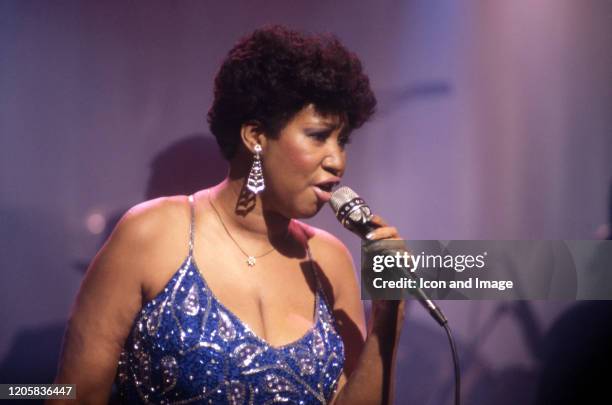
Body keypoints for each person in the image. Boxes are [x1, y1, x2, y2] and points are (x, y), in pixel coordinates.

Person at [51, 25, 405, 405]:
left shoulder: (330, 260)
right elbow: (70, 392)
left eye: (342, 141)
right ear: (255, 136)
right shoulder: (151, 233)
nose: (337, 161)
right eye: (319, 136)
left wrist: (388, 321)